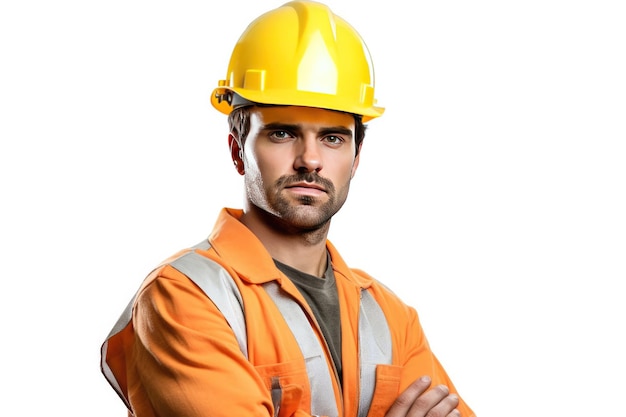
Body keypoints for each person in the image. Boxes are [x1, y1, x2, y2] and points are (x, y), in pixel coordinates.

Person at [100, 1, 475, 416]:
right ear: (238, 150)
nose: (310, 160)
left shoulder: (391, 317)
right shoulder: (186, 296)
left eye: (332, 138)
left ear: (356, 156)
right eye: (282, 133)